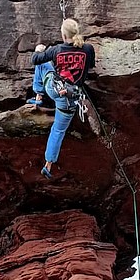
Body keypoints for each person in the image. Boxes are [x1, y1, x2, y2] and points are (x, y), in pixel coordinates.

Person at [30, 18, 95, 179]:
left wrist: (39, 50)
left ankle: (38, 95)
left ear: (63, 34)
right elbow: (91, 65)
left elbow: (35, 60)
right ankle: (48, 165)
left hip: (54, 89)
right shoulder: (88, 49)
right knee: (58, 131)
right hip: (70, 99)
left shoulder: (57, 50)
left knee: (42, 63)